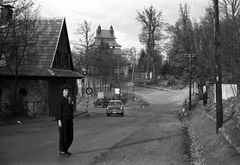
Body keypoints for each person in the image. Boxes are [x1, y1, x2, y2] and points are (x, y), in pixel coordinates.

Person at [55, 84, 74, 156]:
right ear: (62, 92)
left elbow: (70, 110)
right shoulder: (61, 100)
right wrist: (59, 120)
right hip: (63, 119)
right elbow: (58, 111)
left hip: (69, 119)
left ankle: (66, 149)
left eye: (68, 91)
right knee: (63, 135)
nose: (67, 92)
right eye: (65, 91)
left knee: (69, 135)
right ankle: (62, 151)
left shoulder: (68, 100)